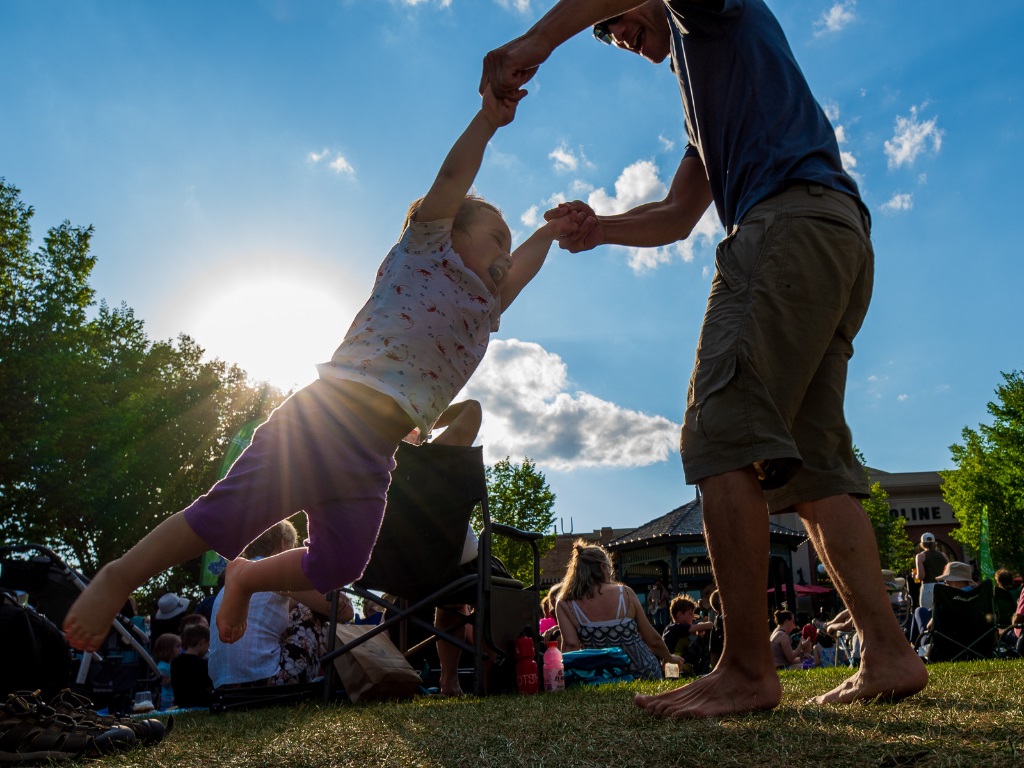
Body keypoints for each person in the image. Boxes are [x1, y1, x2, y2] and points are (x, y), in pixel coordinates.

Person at [481, 0, 927, 717]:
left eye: (616, 22)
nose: (617, 37)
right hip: (835, 234)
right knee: (810, 472)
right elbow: (678, 215)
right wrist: (600, 229)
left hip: (785, 227)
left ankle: (747, 670)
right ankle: (890, 652)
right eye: (606, 33)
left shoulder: (710, 15)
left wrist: (535, 40)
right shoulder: (705, 96)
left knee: (717, 434)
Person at [61, 81, 575, 654]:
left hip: (376, 451)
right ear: (452, 232)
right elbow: (452, 181)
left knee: (341, 564)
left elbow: (522, 269)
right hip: (326, 418)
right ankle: (118, 576)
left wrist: (551, 232)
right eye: (496, 239)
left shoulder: (486, 306)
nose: (507, 254)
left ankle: (247, 577)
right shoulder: (425, 250)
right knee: (220, 520)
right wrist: (486, 122)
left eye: (511, 245)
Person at [208, 521, 349, 688]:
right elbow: (344, 613)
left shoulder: (231, 586)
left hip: (224, 686)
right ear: (283, 542)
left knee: (294, 612)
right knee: (310, 610)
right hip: (264, 681)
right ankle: (340, 678)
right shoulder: (276, 573)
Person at [555, 541, 683, 680]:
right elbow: (652, 640)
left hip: (600, 676)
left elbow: (570, 646)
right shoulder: (625, 593)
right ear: (603, 567)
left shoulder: (565, 603)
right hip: (641, 672)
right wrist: (669, 658)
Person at [171, 622, 213, 708]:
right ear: (202, 642)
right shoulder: (203, 663)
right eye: (208, 644)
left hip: (181, 705)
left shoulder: (175, 662)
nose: (208, 649)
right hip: (201, 705)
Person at [662, 596, 712, 664]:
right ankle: (705, 667)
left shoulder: (671, 627)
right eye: (690, 614)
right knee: (707, 635)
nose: (693, 617)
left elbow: (696, 632)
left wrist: (700, 631)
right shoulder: (677, 627)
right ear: (680, 614)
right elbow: (710, 625)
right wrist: (701, 624)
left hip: (673, 661)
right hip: (674, 662)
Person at [913, 532, 949, 611]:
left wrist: (915, 575)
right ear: (934, 543)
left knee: (928, 614)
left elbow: (921, 576)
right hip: (944, 586)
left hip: (929, 587)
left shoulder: (920, 556)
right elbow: (948, 573)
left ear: (922, 544)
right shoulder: (943, 555)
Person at [151, 632, 180, 710]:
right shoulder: (162, 666)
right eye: (177, 647)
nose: (180, 649)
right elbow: (164, 683)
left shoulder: (172, 663)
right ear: (168, 649)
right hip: (166, 699)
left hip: (172, 696)